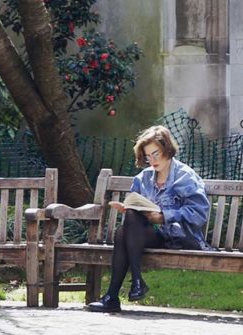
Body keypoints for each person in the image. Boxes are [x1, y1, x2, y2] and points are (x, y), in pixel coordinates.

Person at [87, 125, 210, 313]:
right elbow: (135, 206)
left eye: (156, 154)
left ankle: (114, 294)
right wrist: (128, 208)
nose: (152, 161)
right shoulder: (143, 178)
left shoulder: (185, 176)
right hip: (152, 236)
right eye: (147, 156)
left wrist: (164, 217)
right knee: (126, 225)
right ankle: (135, 282)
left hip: (180, 237)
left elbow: (200, 213)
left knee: (122, 233)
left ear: (167, 150)